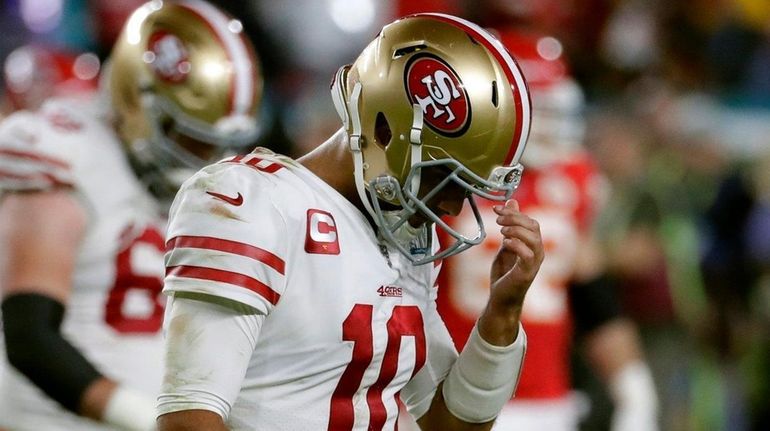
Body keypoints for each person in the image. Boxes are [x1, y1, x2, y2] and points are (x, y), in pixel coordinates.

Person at [156, 13, 543, 431]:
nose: (451, 207)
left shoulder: (406, 233)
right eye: (441, 176)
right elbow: (188, 418)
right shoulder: (251, 202)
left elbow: (448, 426)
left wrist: (503, 311)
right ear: (383, 130)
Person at [0, 1, 262, 430]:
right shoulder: (64, 153)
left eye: (213, 142)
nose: (206, 158)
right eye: (191, 138)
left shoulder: (211, 190)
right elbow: (30, 338)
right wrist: (147, 419)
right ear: (134, 99)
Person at [435, 30, 659, 431]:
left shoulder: (571, 178)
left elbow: (589, 289)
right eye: (541, 108)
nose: (553, 125)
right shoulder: (446, 177)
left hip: (540, 399)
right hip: (445, 394)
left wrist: (632, 383)